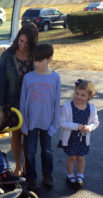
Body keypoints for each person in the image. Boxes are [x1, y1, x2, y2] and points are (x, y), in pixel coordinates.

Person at [0, 23, 38, 177]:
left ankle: (27, 165)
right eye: (21, 41)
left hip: (31, 104)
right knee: (16, 135)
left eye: (26, 43)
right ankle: (18, 166)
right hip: (11, 104)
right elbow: (0, 82)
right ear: (17, 38)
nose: (23, 45)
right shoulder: (7, 56)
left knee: (29, 137)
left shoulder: (35, 56)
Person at [20, 43, 61, 190]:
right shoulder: (28, 78)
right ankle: (31, 178)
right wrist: (24, 124)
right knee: (30, 152)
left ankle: (47, 176)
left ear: (49, 59)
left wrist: (54, 125)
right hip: (30, 123)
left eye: (40, 60)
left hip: (47, 123)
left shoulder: (56, 78)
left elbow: (57, 103)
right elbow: (23, 102)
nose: (36, 63)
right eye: (35, 60)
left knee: (47, 151)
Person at [59, 79, 99, 188]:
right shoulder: (67, 107)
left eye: (83, 95)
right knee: (72, 157)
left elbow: (95, 122)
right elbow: (61, 122)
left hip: (83, 139)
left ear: (89, 97)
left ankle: (80, 176)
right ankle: (70, 175)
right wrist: (77, 126)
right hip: (70, 138)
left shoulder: (92, 108)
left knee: (81, 158)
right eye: (77, 93)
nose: (79, 97)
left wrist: (89, 128)